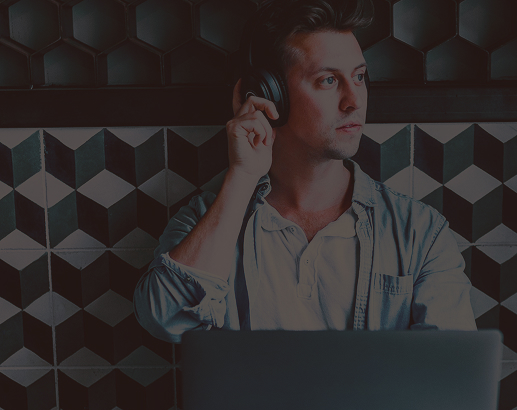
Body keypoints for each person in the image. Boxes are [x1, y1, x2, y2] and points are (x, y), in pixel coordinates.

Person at [133, 0, 476, 342]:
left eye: (359, 76)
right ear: (270, 95)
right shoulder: (205, 220)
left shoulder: (420, 232)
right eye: (328, 80)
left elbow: (452, 378)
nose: (354, 100)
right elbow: (165, 319)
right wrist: (242, 176)